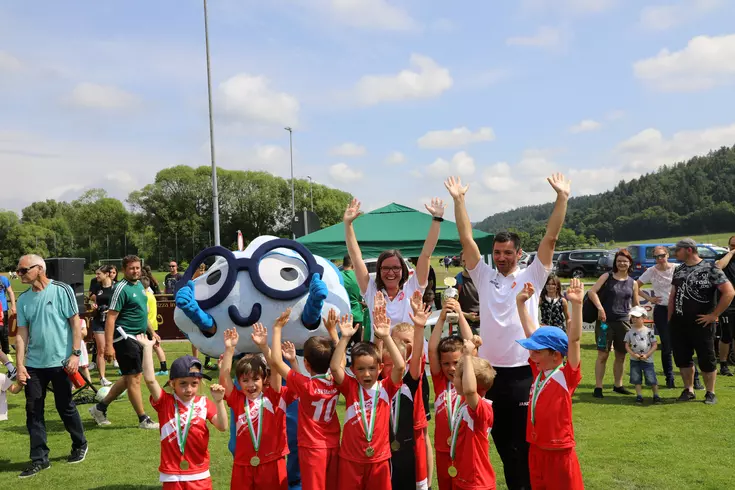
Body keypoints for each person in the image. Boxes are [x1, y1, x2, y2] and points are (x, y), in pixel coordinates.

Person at [445, 173, 569, 490]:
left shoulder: (533, 274)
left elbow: (551, 240)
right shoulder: (484, 275)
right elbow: (466, 240)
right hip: (490, 374)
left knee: (523, 449)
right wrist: (459, 201)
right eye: (497, 252)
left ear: (518, 252)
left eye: (507, 252)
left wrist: (562, 199)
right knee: (496, 444)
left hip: (524, 373)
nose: (501, 257)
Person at [14, 254, 88, 478]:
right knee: (33, 411)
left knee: (65, 407)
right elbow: (21, 335)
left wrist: (75, 354)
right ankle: (39, 459)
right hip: (35, 365)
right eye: (18, 270)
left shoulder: (61, 290)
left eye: (23, 270)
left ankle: (80, 444)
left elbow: (75, 323)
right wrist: (20, 364)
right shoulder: (23, 299)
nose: (19, 274)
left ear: (39, 269)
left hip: (62, 362)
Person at [515, 279, 584, 490]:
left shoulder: (565, 376)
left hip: (559, 450)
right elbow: (530, 334)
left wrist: (577, 305)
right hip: (536, 447)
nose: (531, 353)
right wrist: (521, 305)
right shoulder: (539, 371)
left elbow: (574, 341)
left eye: (537, 350)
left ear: (555, 355)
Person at [330, 305, 404, 490]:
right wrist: (345, 338)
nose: (366, 374)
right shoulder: (350, 387)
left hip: (379, 459)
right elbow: (334, 368)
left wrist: (386, 336)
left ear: (379, 368)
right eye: (360, 369)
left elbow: (400, 366)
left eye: (371, 368)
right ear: (353, 370)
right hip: (350, 459)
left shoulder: (386, 387)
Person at [139, 334, 228, 489]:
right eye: (183, 384)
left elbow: (222, 426)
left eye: (194, 383)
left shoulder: (204, 403)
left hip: (200, 473)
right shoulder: (164, 402)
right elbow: (150, 380)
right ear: (172, 384)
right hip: (172, 474)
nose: (189, 389)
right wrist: (147, 348)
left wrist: (219, 402)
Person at [343, 197, 444, 329]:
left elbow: (426, 254)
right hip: (380, 348)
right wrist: (348, 224)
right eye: (385, 268)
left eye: (396, 268)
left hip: (412, 349)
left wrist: (436, 220)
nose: (391, 272)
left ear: (403, 270)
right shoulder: (371, 290)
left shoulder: (413, 288)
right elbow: (356, 258)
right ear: (379, 270)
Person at [269, 308, 341, 490]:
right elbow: (340, 363)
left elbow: (277, 362)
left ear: (307, 364)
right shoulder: (336, 381)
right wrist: (333, 331)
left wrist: (277, 329)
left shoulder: (306, 386)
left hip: (312, 448)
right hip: (333, 445)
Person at [88, 255, 160, 429]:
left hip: (139, 337)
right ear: (123, 270)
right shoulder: (121, 288)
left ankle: (100, 407)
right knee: (134, 378)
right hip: (125, 337)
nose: (135, 271)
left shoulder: (140, 286)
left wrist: (153, 332)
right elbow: (111, 318)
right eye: (131, 268)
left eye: (137, 268)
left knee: (129, 377)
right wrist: (108, 345)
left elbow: (142, 312)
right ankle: (143, 419)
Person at [220, 321, 293, 490]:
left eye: (255, 379)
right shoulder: (238, 400)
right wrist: (230, 350)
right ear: (238, 382)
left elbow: (275, 367)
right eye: (245, 380)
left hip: (272, 462)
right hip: (243, 464)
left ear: (264, 380)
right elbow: (224, 379)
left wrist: (264, 346)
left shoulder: (274, 397)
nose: (250, 385)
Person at [669, 238, 734, 405]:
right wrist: (670, 319)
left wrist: (714, 315)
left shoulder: (711, 268)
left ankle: (710, 392)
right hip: (679, 323)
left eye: (678, 250)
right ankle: (688, 390)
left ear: (688, 250)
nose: (675, 253)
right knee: (683, 358)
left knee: (707, 358)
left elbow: (729, 292)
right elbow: (673, 295)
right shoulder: (679, 269)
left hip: (702, 323)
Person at [385, 292, 431, 490]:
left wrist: (419, 327)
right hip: (386, 442)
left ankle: (426, 483)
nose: (405, 346)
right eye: (400, 342)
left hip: (410, 441)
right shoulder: (380, 377)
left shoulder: (413, 374)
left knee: (424, 435)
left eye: (408, 341)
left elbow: (418, 352)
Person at [428, 298, 475, 490]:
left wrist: (460, 313)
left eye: (456, 362)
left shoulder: (470, 381)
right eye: (446, 363)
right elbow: (432, 350)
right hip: (442, 450)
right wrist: (440, 319)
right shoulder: (440, 381)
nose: (451, 368)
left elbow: (470, 342)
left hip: (465, 450)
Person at [587, 249, 640, 398]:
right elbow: (592, 292)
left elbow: (635, 304)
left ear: (629, 263)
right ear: (615, 263)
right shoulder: (607, 277)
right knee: (602, 355)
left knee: (621, 355)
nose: (622, 263)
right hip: (605, 322)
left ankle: (618, 385)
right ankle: (598, 387)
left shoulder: (633, 283)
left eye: (624, 261)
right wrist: (600, 308)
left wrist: (638, 319)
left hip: (624, 323)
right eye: (619, 261)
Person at [448, 338, 496, 488]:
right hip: (463, 477)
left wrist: (468, 356)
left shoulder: (481, 409)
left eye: (456, 376)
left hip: (476, 481)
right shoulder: (466, 403)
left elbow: (470, 390)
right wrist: (471, 351)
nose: (453, 378)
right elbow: (476, 373)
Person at [636, 246, 677, 387]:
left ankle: (694, 378)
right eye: (656, 257)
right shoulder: (651, 271)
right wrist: (650, 298)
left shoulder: (677, 268)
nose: (659, 259)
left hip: (678, 310)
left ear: (667, 254)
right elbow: (635, 286)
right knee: (666, 345)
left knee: (683, 343)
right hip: (661, 310)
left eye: (662, 255)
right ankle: (669, 378)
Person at [624, 306, 661, 404]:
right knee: (636, 379)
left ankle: (656, 395)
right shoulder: (629, 332)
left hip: (647, 360)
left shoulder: (649, 331)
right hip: (634, 360)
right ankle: (639, 396)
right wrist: (633, 354)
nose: (634, 319)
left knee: (651, 378)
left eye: (637, 317)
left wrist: (647, 355)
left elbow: (654, 345)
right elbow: (627, 345)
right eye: (633, 317)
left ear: (643, 318)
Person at [90, 265, 115, 386]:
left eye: (99, 274)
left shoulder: (115, 287)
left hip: (112, 321)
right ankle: (102, 378)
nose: (96, 276)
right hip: (98, 320)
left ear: (106, 274)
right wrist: (93, 306)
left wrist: (111, 310)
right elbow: (94, 301)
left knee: (114, 348)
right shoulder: (97, 287)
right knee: (101, 349)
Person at [715, 235, 735, 376]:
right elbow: (718, 267)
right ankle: (723, 364)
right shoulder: (723, 257)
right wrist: (731, 253)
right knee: (726, 334)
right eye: (733, 245)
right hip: (728, 303)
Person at [141, 276, 168, 376]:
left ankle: (146, 368)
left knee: (146, 348)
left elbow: (144, 313)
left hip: (147, 325)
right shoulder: (151, 295)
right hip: (154, 324)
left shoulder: (144, 297)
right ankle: (164, 368)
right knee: (156, 346)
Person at [455, 251, 481, 333]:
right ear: (461, 263)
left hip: (485, 326)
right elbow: (452, 307)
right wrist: (467, 316)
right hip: (465, 326)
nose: (466, 263)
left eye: (469, 259)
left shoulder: (484, 279)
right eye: (464, 261)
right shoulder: (456, 281)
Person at [0, 272, 16, 361]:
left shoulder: (3, 279)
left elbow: (10, 292)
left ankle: (6, 353)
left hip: (3, 310)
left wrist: (13, 305)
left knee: (4, 333)